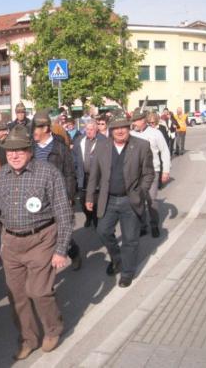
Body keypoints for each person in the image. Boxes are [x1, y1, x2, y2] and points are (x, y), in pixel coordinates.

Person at [0, 125, 73, 360]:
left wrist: (61, 249)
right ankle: (28, 338)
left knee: (39, 291)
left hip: (41, 240)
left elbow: (63, 214)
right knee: (17, 295)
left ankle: (53, 328)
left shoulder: (48, 173)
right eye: (10, 150)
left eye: (20, 150)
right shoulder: (1, 175)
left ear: (30, 150)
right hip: (11, 243)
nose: (14, 155)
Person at [85, 114, 154, 288]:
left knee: (130, 239)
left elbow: (148, 173)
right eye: (116, 128)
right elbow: (94, 174)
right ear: (111, 131)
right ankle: (118, 259)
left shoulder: (141, 146)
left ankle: (127, 272)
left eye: (123, 127)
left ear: (129, 128)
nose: (120, 131)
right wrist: (89, 197)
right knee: (103, 231)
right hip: (108, 200)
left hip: (130, 200)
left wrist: (141, 192)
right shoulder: (102, 146)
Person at [32, 109, 81, 270]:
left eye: (36, 128)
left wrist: (68, 196)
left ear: (46, 128)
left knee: (60, 229)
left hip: (58, 196)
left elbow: (69, 173)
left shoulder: (60, 148)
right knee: (42, 232)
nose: (33, 132)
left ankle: (73, 251)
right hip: (37, 198)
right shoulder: (30, 148)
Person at [131, 109, 170, 237]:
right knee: (139, 200)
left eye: (136, 120)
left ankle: (154, 224)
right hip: (136, 173)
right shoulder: (131, 134)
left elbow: (165, 151)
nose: (134, 123)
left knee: (151, 200)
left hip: (153, 171)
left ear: (143, 120)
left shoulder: (156, 133)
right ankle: (142, 225)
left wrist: (166, 171)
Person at [73, 119, 106, 228]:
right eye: (87, 129)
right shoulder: (79, 140)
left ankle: (96, 219)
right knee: (82, 200)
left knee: (95, 200)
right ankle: (88, 216)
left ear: (96, 130)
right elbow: (74, 157)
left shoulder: (103, 140)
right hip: (83, 176)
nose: (89, 131)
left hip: (97, 177)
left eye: (91, 129)